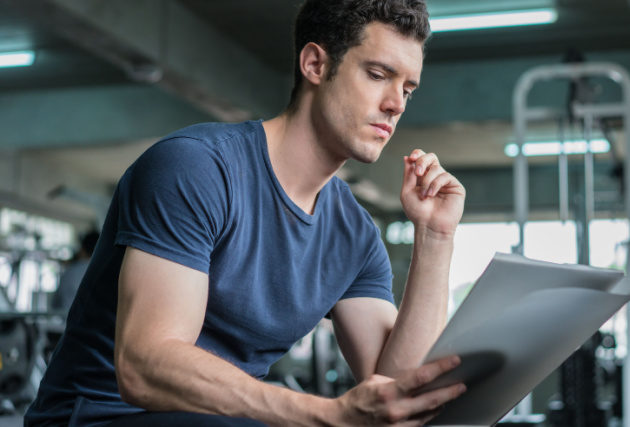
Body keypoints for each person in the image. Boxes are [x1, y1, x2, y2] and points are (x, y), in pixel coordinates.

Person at [25, 0, 467, 425]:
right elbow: (144, 366)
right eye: (377, 75)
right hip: (102, 417)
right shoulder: (196, 167)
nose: (397, 104)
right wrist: (327, 414)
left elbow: (398, 392)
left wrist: (436, 237)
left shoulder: (354, 233)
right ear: (314, 64)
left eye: (407, 88)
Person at [51, 230, 100, 313]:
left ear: (82, 249)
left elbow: (55, 303)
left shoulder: (70, 272)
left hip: (68, 321)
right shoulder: (103, 273)